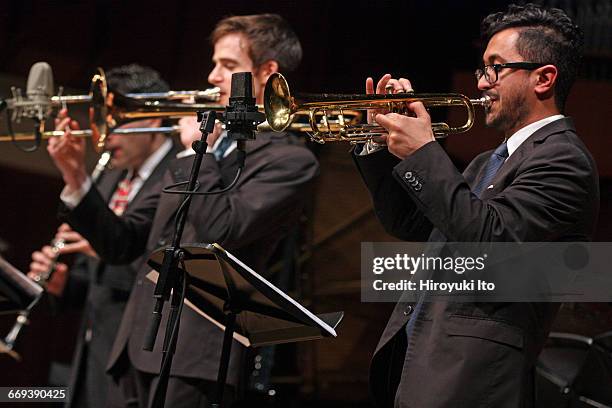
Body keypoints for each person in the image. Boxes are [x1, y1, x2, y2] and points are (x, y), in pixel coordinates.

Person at [48, 14, 318, 408]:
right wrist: (74, 177)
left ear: (266, 72)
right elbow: (124, 244)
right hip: (137, 346)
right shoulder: (203, 150)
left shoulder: (289, 159)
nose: (211, 77)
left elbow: (221, 230)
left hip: (197, 357)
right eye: (214, 64)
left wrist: (199, 153)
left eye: (227, 66)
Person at [353, 4, 599, 407]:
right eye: (483, 68)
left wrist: (424, 152)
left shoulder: (564, 159)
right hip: (425, 366)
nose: (481, 83)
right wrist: (378, 143)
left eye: (495, 68)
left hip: (473, 381)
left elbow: (490, 242)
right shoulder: (490, 161)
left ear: (543, 78)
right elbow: (410, 222)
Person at [27, 64, 179, 408]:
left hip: (137, 363)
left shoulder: (178, 175)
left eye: (117, 119)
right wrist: (66, 285)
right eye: (102, 119)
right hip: (91, 356)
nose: (104, 134)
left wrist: (100, 251)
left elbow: (162, 270)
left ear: (153, 118)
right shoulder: (111, 179)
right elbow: (93, 279)